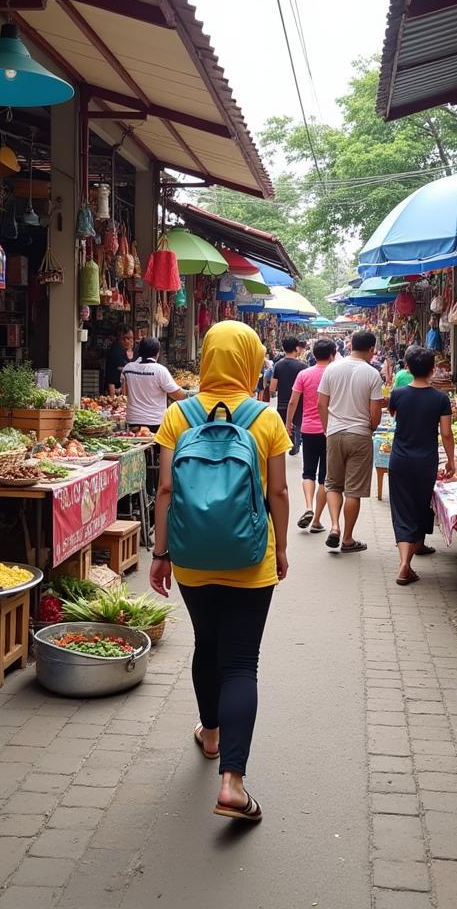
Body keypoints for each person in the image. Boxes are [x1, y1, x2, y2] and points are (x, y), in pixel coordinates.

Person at [151, 321, 290, 823]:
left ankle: (209, 734)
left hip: (191, 556)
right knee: (240, 663)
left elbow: (165, 490)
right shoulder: (267, 419)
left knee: (206, 646)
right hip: (252, 557)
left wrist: (161, 553)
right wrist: (284, 549)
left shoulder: (177, 414)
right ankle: (232, 782)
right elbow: (277, 492)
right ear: (250, 360)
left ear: (208, 356)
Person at [388, 346, 455, 586]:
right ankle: (408, 562)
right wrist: (451, 460)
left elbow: (394, 415)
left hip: (399, 460)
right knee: (420, 508)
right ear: (432, 369)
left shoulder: (397, 394)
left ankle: (404, 563)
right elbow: (446, 433)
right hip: (426, 461)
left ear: (407, 367)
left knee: (402, 510)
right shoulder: (440, 398)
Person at [316, 329, 383, 553]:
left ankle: (333, 526)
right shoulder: (372, 374)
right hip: (360, 435)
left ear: (351, 344)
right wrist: (371, 427)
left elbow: (321, 404)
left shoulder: (332, 369)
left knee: (333, 483)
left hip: (335, 433)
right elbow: (375, 411)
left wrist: (328, 429)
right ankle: (347, 538)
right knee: (353, 490)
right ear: (372, 349)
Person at [285, 337, 335, 534]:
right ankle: (316, 520)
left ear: (314, 355)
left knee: (308, 471)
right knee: (324, 476)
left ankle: (308, 506)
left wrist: (288, 424)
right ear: (332, 355)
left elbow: (292, 402)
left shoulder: (304, 374)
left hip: (308, 428)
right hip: (330, 430)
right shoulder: (335, 374)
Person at [121, 337, 186, 430]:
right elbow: (179, 395)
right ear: (157, 353)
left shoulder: (128, 368)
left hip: (133, 422)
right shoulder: (160, 370)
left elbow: (125, 392)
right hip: (155, 423)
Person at [270, 336, 306, 455]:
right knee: (296, 424)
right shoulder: (302, 367)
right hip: (298, 402)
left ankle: (288, 443)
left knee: (284, 425)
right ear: (296, 348)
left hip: (282, 403)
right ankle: (296, 442)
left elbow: (272, 388)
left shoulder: (278, 365)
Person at [104, 327, 135, 396]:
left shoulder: (131, 352)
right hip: (118, 391)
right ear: (121, 339)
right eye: (128, 338)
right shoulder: (116, 353)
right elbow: (111, 379)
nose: (131, 341)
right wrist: (113, 398)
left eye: (132, 338)